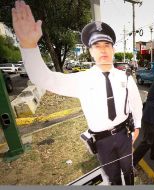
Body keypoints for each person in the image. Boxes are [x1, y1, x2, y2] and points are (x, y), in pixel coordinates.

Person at [12, 1, 143, 185]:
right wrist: (28, 46)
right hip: (102, 141)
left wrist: (136, 128)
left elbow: (136, 104)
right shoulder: (81, 80)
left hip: (124, 135)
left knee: (128, 171)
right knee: (112, 177)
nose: (103, 49)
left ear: (113, 49)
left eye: (107, 44)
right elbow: (43, 78)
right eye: (97, 46)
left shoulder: (126, 77)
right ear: (90, 51)